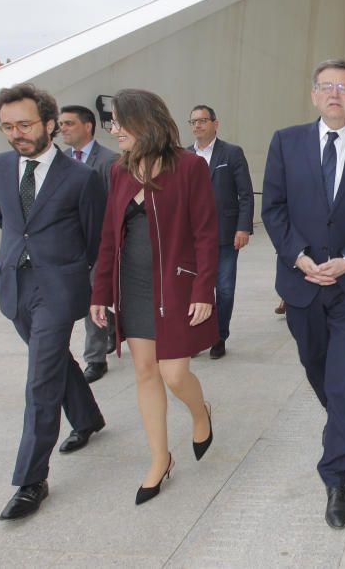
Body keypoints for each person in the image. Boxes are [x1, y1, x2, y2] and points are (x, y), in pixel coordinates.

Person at [261, 59, 345, 529]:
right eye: (326, 86)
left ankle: (336, 476)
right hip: (301, 282)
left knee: (343, 381)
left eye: (344, 87)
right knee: (318, 368)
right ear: (314, 95)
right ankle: (341, 416)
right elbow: (273, 207)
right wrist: (298, 256)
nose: (335, 94)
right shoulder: (285, 142)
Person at [0, 83, 106, 520]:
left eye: (25, 124)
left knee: (40, 380)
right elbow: (8, 221)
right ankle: (88, 417)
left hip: (58, 287)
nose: (16, 133)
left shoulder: (82, 178)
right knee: (51, 360)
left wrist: (90, 286)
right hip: (14, 284)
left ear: (50, 124)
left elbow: (94, 240)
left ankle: (31, 479)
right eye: (7, 126)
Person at [90, 89, 218, 506]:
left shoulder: (190, 167)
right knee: (145, 371)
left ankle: (201, 413)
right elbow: (110, 237)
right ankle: (160, 459)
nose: (113, 129)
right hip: (135, 286)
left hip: (176, 286)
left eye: (118, 121)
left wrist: (203, 289)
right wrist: (101, 291)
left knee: (175, 373)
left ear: (144, 121)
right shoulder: (118, 171)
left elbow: (205, 233)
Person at [187, 104, 255, 359]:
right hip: (191, 237)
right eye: (193, 121)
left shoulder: (232, 153)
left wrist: (243, 227)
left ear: (216, 124)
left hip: (225, 234)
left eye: (203, 120)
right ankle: (194, 336)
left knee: (223, 288)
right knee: (192, 288)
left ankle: (218, 336)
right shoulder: (184, 156)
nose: (197, 125)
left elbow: (245, 194)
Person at [59, 104, 119, 383]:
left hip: (98, 244)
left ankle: (95, 359)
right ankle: (112, 324)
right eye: (61, 124)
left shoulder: (109, 161)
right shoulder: (59, 161)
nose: (63, 129)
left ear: (88, 126)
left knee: (93, 297)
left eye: (69, 123)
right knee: (85, 299)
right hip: (69, 245)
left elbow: (115, 206)